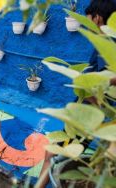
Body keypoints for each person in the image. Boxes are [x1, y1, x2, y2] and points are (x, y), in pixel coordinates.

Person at [38, 1, 116, 187]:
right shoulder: (105, 42)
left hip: (88, 115)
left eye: (87, 19)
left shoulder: (108, 41)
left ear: (97, 18)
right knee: (56, 155)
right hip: (89, 113)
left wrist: (89, 83)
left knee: (53, 154)